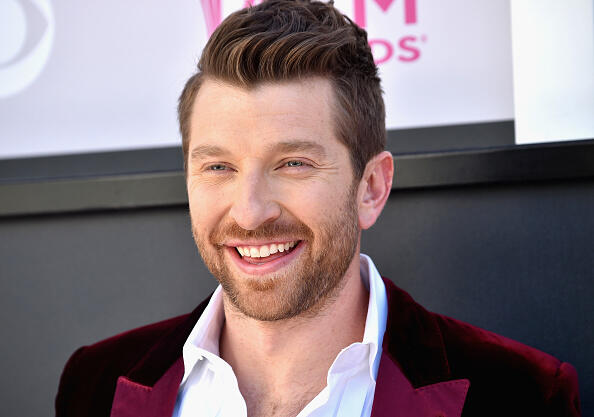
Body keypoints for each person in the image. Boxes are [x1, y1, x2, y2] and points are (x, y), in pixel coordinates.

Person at [55, 0, 581, 416]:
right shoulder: (95, 383)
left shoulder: (520, 393)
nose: (251, 211)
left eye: (293, 164)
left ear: (371, 187)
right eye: (219, 167)